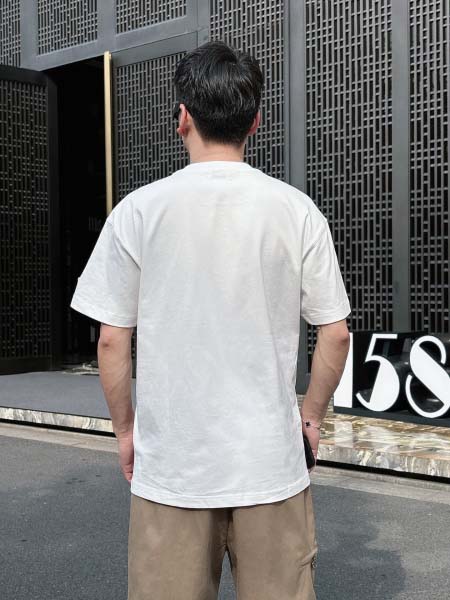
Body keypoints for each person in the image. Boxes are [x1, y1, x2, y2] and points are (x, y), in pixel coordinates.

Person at [70, 40, 351, 600]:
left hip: (174, 467)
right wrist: (311, 420)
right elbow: (336, 333)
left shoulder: (139, 211)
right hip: (269, 465)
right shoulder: (296, 211)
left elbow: (111, 341)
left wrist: (126, 432)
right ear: (256, 121)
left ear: (183, 118)